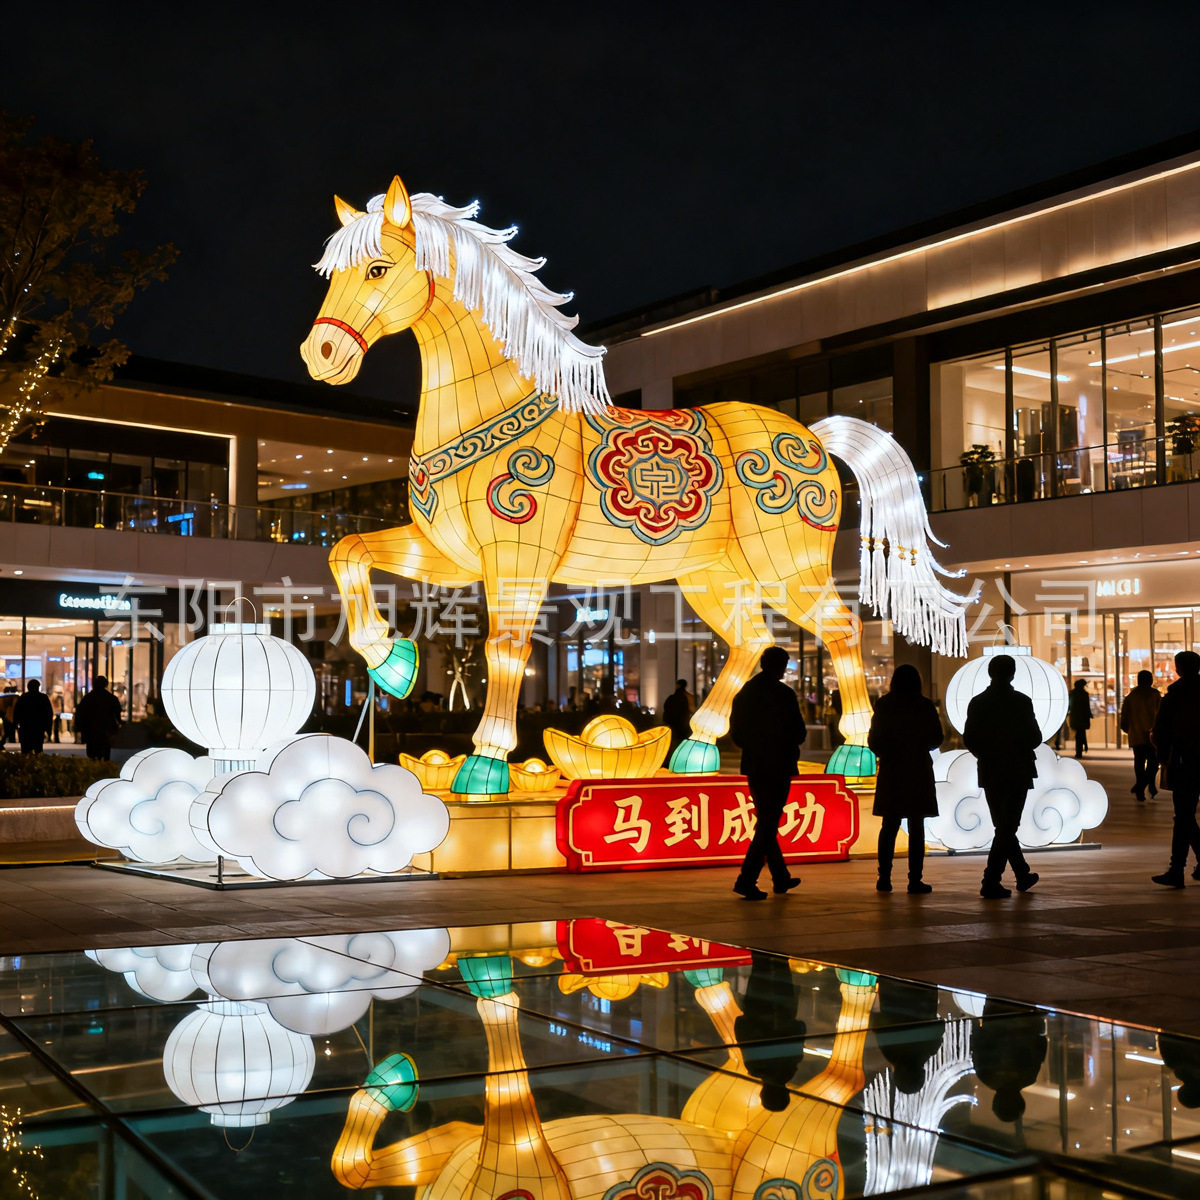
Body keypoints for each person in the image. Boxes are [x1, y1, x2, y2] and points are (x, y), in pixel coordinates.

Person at [729, 645, 806, 900]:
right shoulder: (783, 695)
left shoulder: (746, 693)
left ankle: (780, 876)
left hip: (756, 764)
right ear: (780, 666)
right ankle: (746, 879)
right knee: (768, 823)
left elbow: (737, 733)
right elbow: (799, 732)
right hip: (780, 764)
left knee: (767, 819)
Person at [963, 654, 1043, 899]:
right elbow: (1035, 737)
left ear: (990, 673)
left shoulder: (978, 702)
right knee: (1008, 826)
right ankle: (991, 879)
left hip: (990, 769)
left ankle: (1020, 873)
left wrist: (986, 754)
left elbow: (970, 738)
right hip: (1018, 769)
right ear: (1012, 674)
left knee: (1003, 825)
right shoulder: (1022, 702)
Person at [867, 664, 943, 894]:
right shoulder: (924, 706)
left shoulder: (885, 705)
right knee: (916, 826)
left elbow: (874, 741)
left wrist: (890, 752)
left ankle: (884, 877)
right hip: (918, 770)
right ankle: (915, 879)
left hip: (892, 771)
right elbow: (936, 738)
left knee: (889, 825)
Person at [1149, 650, 1200, 888]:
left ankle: (1177, 869)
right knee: (1185, 817)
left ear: (1178, 668)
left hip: (1183, 761)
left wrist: (1163, 757)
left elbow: (1162, 731)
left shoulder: (1174, 696)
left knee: (1183, 816)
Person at [1120, 670, 1162, 802]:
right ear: (1150, 680)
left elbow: (1124, 719)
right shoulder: (1155, 695)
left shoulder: (1131, 697)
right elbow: (1161, 715)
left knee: (1139, 762)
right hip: (1152, 735)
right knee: (1153, 763)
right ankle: (1146, 785)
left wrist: (1130, 729)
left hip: (1136, 735)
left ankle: (1141, 787)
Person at [74, 676, 124, 761]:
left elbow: (80, 713)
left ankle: (95, 765)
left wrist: (79, 727)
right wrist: (119, 724)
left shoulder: (88, 698)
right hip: (106, 729)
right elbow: (117, 712)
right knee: (105, 751)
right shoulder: (111, 698)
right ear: (105, 685)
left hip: (91, 729)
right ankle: (104, 765)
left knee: (92, 753)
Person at [13, 680, 53, 755]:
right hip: (38, 728)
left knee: (25, 750)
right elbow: (48, 713)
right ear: (38, 687)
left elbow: (17, 712)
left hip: (26, 727)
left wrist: (16, 724)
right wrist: (48, 729)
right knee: (38, 749)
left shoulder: (24, 697)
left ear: (28, 687)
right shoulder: (43, 697)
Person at [662, 678, 692, 751]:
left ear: (678, 685)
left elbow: (666, 708)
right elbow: (691, 709)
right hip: (684, 724)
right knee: (682, 742)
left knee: (673, 743)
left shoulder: (672, 698)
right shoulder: (688, 697)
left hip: (673, 724)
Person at [1068, 679, 1092, 758]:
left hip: (1075, 717)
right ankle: (1082, 748)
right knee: (1081, 733)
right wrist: (1089, 714)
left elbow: (1070, 705)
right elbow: (1087, 706)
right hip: (1083, 717)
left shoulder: (1072, 693)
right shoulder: (1084, 694)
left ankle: (1080, 750)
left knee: (1079, 734)